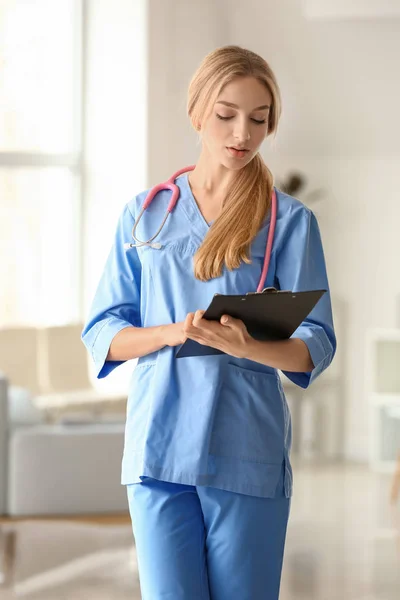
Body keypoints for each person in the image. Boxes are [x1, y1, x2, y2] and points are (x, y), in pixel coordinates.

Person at [82, 45, 336, 600]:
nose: (242, 132)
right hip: (158, 449)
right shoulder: (147, 214)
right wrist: (173, 332)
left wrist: (248, 345)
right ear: (197, 112)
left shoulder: (289, 223)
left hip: (245, 445)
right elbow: (103, 332)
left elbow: (315, 343)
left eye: (259, 118)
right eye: (226, 114)